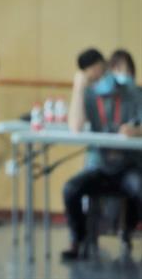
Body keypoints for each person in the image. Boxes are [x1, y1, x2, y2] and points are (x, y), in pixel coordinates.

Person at [61, 48, 142, 260]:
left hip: (127, 167)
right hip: (99, 167)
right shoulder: (90, 95)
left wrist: (136, 131)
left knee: (139, 188)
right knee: (71, 189)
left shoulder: (134, 93)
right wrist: (78, 88)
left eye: (122, 69)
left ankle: (128, 231)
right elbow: (75, 126)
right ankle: (77, 240)